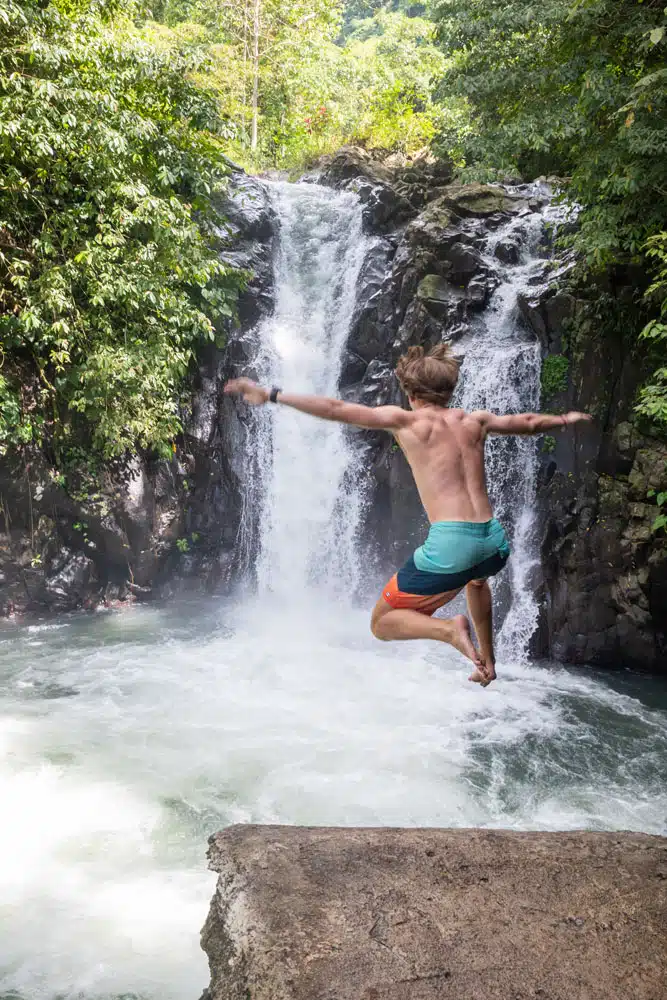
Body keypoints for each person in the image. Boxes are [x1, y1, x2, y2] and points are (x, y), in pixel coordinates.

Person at [224, 343, 591, 686]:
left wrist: (271, 394)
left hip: (453, 544)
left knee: (381, 623)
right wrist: (563, 419)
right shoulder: (474, 420)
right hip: (492, 542)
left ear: (411, 394)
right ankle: (489, 664)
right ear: (449, 391)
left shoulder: (407, 422)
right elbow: (525, 423)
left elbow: (335, 409)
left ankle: (450, 630)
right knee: (477, 581)